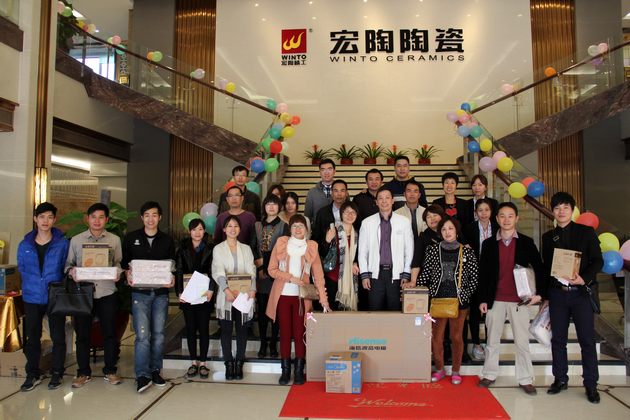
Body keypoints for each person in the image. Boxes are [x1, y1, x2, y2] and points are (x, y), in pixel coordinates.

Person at [541, 192, 603, 404]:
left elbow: (598, 261)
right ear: (553, 211)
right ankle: (560, 379)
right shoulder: (548, 237)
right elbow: (546, 269)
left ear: (572, 210)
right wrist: (545, 296)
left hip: (580, 294)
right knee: (558, 340)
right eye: (557, 208)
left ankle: (591, 384)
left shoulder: (586, 232)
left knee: (587, 340)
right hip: (558, 295)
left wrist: (583, 278)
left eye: (565, 207)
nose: (561, 211)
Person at [477, 202, 544, 394]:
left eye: (510, 216)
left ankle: (525, 379)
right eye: (502, 216)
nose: (506, 220)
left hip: (519, 301)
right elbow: (483, 274)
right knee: (492, 340)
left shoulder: (526, 242)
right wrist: (483, 299)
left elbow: (539, 268)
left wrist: (539, 294)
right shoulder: (488, 244)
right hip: (495, 300)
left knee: (522, 342)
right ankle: (489, 374)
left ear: (517, 219)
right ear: (497, 219)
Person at [267, 215, 330, 386]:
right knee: (285, 333)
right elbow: (271, 269)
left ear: (306, 229)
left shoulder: (311, 247)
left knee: (301, 333)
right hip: (282, 296)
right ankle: (285, 370)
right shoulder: (281, 243)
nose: (297, 229)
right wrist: (290, 278)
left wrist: (324, 300)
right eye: (294, 226)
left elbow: (318, 277)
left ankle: (299, 370)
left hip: (303, 298)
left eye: (301, 226)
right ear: (290, 228)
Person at [65, 203, 122, 388]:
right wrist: (72, 272)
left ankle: (110, 370)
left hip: (106, 291)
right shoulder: (76, 240)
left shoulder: (114, 240)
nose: (97, 221)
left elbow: (118, 263)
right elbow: (68, 265)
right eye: (93, 217)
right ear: (87, 219)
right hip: (84, 293)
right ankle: (83, 372)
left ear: (107, 220)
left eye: (101, 217)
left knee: (110, 333)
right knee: (82, 334)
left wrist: (118, 272)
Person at [122, 201, 176, 393]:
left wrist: (171, 277)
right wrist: (128, 275)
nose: (150, 219)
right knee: (143, 336)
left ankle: (155, 371)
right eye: (147, 215)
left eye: (154, 215)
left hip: (161, 294)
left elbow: (172, 265)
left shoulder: (167, 240)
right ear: (142, 218)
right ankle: (142, 375)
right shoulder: (131, 238)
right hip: (140, 293)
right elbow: (125, 264)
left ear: (160, 217)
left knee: (159, 335)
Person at [418, 217, 478, 385]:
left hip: (459, 303)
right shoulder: (433, 250)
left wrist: (464, 295)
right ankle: (439, 369)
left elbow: (474, 279)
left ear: (456, 231)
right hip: (437, 301)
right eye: (444, 229)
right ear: (440, 233)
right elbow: (426, 273)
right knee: (436, 337)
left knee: (456, 337)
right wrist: (415, 288)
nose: (447, 232)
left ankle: (456, 371)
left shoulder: (467, 252)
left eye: (450, 228)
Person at [17, 202, 69, 392]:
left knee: (58, 336)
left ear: (54, 220)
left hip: (54, 296)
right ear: (35, 219)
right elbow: (22, 269)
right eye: (41, 217)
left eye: (49, 217)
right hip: (32, 297)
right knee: (32, 337)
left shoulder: (62, 243)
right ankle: (33, 373)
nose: (45, 221)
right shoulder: (25, 244)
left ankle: (57, 372)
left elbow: (66, 267)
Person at [211, 216, 257, 381]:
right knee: (226, 331)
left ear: (239, 229)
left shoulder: (246, 248)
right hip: (227, 296)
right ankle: (228, 363)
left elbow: (252, 270)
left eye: (236, 226)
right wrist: (226, 290)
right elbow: (217, 270)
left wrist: (252, 289)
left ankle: (239, 362)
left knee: (242, 330)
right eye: (229, 226)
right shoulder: (218, 249)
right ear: (224, 229)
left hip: (244, 295)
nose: (232, 229)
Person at [358, 187, 414, 311]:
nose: (384, 201)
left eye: (387, 198)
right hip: (375, 275)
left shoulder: (404, 222)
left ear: (392, 200)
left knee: (395, 310)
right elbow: (362, 252)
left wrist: (406, 273)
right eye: (380, 198)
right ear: (376, 202)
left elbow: (409, 250)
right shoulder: (367, 222)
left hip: (397, 275)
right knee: (374, 310)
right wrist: (364, 275)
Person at [175, 218, 215, 379]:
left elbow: (213, 271)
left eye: (200, 229)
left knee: (204, 329)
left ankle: (203, 363)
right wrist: (179, 292)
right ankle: (193, 362)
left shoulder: (210, 249)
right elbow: (178, 271)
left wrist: (211, 289)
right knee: (190, 329)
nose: (197, 232)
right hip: (188, 295)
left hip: (204, 295)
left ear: (204, 231)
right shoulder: (182, 249)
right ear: (189, 231)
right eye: (194, 229)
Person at [252, 195, 289, 358]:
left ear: (279, 207)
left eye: (275, 204)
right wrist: (260, 266)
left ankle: (273, 342)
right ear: (264, 207)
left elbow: (283, 250)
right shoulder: (257, 225)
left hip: (276, 274)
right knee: (261, 312)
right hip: (260, 274)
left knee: (276, 310)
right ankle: (263, 343)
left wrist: (266, 264)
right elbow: (252, 247)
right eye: (268, 204)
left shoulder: (284, 226)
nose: (271, 207)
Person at [462, 198, 499, 361]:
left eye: (487, 210)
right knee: (475, 312)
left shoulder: (498, 228)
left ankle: (490, 343)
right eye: (480, 210)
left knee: (492, 311)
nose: (484, 213)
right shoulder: (469, 229)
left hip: (493, 273)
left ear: (491, 212)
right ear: (475, 212)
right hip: (474, 273)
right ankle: (477, 343)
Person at [319, 201, 360, 311]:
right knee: (332, 309)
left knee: (347, 314)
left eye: (353, 212)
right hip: (333, 276)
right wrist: (327, 241)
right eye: (346, 212)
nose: (350, 215)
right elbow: (322, 253)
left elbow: (359, 254)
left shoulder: (357, 234)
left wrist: (355, 263)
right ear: (341, 214)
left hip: (350, 277)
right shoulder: (333, 231)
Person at [410, 204, 445, 285]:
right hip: (429, 277)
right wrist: (413, 281)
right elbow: (416, 261)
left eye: (435, 215)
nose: (432, 219)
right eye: (428, 217)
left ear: (442, 217)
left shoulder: (451, 233)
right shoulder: (423, 236)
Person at [311, 179, 349, 244]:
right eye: (336, 191)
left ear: (346, 193)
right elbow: (316, 237)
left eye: (342, 190)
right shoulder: (322, 213)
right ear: (331, 193)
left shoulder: (353, 212)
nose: (339, 194)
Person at [304, 159, 336, 224]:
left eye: (329, 169)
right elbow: (307, 216)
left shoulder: (342, 190)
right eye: (323, 170)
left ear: (334, 171)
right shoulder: (312, 192)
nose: (326, 172)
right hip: (317, 229)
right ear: (320, 172)